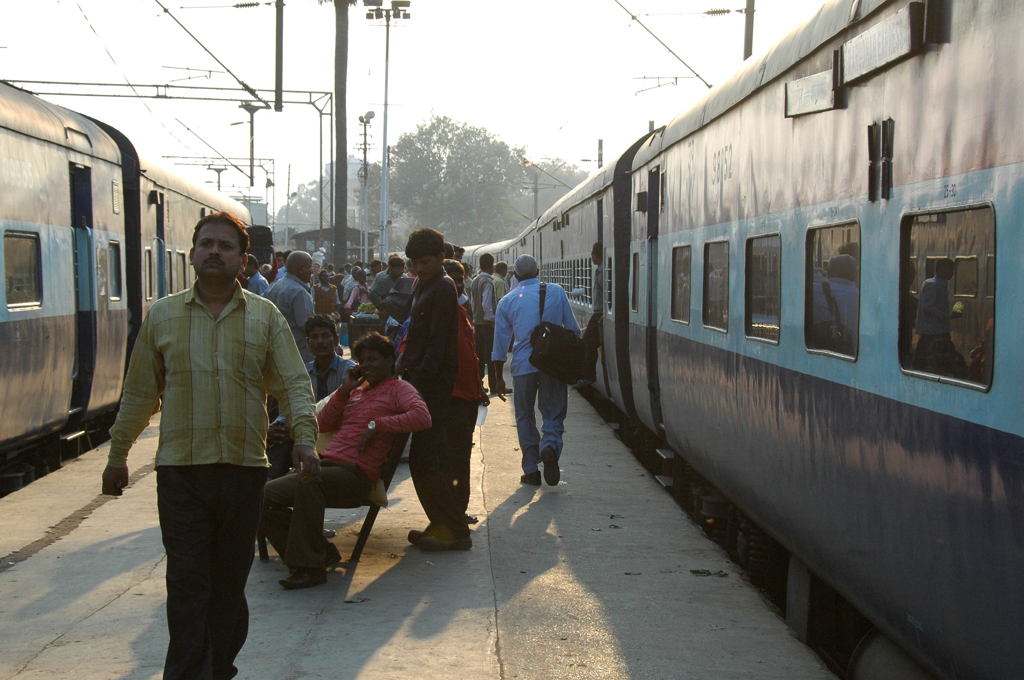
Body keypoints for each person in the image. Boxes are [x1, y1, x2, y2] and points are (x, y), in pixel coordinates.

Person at [102, 211, 318, 680]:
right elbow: (140, 393)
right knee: (186, 582)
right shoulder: (163, 316)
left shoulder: (265, 317)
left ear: (244, 261)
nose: (214, 252)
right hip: (181, 472)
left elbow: (295, 384)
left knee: (227, 586)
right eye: (206, 244)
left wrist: (304, 438)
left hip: (243, 471)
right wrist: (118, 455)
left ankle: (219, 668)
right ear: (194, 254)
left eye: (225, 246)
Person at [262, 332, 431, 590]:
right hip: (328, 465)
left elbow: (422, 417)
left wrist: (378, 424)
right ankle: (319, 551)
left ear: (389, 360)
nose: (366, 365)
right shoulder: (357, 392)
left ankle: (309, 566)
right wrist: (343, 390)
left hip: (356, 474)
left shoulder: (399, 389)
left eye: (373, 360)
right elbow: (322, 424)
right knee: (260, 496)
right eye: (362, 360)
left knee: (309, 481)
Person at [398, 228, 471, 551]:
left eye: (425, 262)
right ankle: (441, 523)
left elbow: (438, 345)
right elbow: (416, 338)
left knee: (428, 460)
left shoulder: (443, 287)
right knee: (427, 460)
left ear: (442, 258)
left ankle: (454, 529)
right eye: (415, 263)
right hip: (421, 384)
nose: (419, 268)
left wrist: (416, 386)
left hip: (434, 390)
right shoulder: (422, 284)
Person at [492, 254, 580, 486]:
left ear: (515, 276)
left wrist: (497, 376)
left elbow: (500, 342)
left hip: (523, 365)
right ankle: (549, 445)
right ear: (539, 271)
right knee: (553, 410)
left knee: (524, 415)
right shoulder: (556, 291)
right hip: (552, 363)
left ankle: (530, 469)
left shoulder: (508, 301)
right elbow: (572, 329)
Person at [266, 315, 355, 479]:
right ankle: (271, 487)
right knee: (277, 440)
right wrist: (278, 425)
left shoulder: (349, 372)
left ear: (335, 339)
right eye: (314, 337)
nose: (320, 341)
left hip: (334, 436)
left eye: (325, 336)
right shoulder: (303, 372)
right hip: (304, 433)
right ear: (308, 343)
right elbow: (290, 406)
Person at [441, 259, 487, 524]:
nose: (457, 283)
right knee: (452, 458)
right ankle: (451, 514)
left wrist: (479, 387)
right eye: (451, 278)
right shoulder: (440, 312)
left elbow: (470, 354)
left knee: (461, 457)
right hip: (451, 399)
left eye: (460, 278)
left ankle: (457, 510)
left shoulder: (462, 311)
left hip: (467, 397)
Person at [913, 258, 964, 375]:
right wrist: (948, 316)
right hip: (932, 333)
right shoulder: (932, 285)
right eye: (950, 269)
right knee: (932, 365)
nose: (952, 273)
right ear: (940, 269)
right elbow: (928, 307)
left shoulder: (940, 285)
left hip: (939, 331)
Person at [265, 250, 316, 363]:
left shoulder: (275, 286)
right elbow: (306, 326)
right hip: (298, 354)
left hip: (276, 351)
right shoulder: (299, 292)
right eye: (309, 267)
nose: (311, 271)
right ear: (300, 269)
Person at [469, 253, 497, 393]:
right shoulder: (487, 282)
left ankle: (478, 385)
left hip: (477, 322)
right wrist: (492, 320)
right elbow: (486, 305)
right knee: (491, 356)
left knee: (479, 356)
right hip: (486, 325)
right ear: (492, 265)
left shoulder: (475, 280)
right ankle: (494, 384)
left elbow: (474, 303)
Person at [579, 243, 603, 385]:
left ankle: (588, 376)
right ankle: (587, 375)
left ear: (596, 255)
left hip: (600, 312)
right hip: (598, 312)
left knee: (587, 343)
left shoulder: (603, 272)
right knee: (588, 342)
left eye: (592, 254)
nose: (591, 257)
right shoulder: (599, 270)